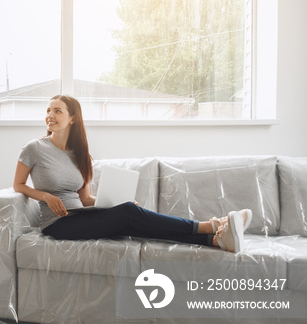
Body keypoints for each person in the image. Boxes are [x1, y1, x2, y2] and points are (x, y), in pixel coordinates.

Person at [13, 94, 252, 252]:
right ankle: (211, 225)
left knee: (133, 221)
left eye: (57, 111)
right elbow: (18, 185)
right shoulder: (35, 148)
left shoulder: (81, 155)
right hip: (57, 225)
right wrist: (46, 196)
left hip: (79, 216)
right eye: (48, 110)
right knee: (129, 213)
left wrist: (117, 203)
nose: (50, 116)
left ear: (72, 118)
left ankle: (215, 240)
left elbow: (85, 200)